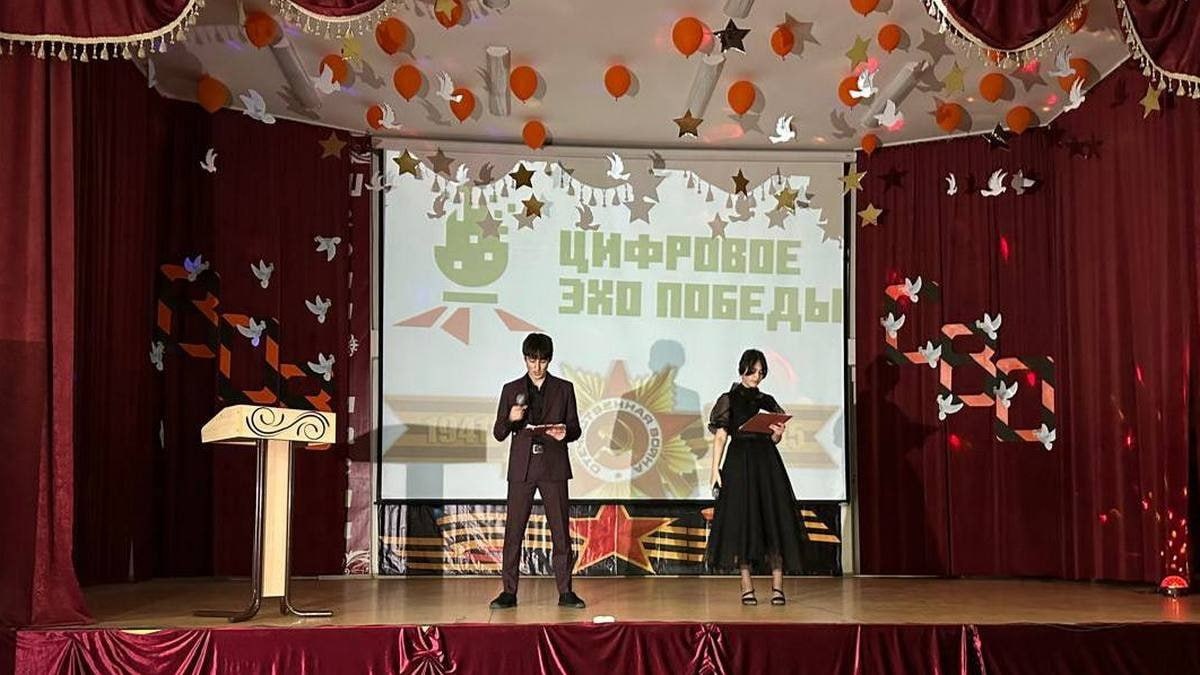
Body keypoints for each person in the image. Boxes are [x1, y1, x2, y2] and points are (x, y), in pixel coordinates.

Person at [489, 333, 586, 610]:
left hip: (553, 466)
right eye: (532, 360)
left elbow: (575, 428)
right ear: (525, 359)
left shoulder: (564, 388)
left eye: (542, 361)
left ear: (549, 360)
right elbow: (498, 432)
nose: (537, 366)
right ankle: (508, 591)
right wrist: (511, 419)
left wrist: (565, 433)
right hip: (522, 468)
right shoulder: (511, 389)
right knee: (514, 531)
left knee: (560, 531)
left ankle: (565, 591)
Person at [705, 349, 807, 606]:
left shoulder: (767, 400)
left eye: (761, 372)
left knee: (773, 518)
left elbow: (774, 437)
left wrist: (778, 433)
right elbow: (721, 437)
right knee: (744, 521)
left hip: (766, 462)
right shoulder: (729, 399)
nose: (757, 376)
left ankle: (777, 586)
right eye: (753, 370)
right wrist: (714, 469)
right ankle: (746, 585)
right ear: (743, 369)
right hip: (739, 462)